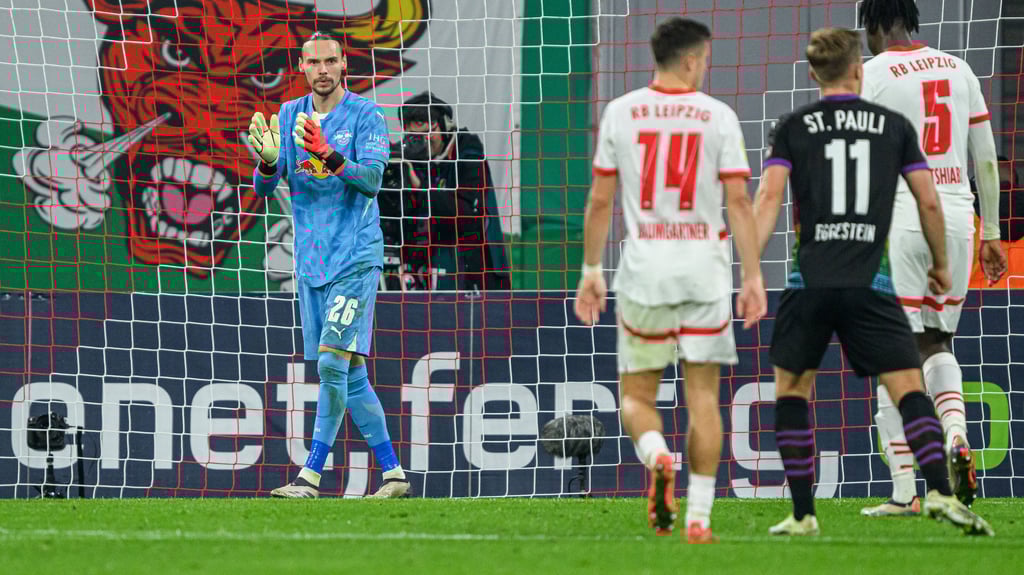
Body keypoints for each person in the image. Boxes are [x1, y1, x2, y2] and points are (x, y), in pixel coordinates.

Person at [753, 27, 992, 536]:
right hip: (872, 278)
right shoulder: (891, 127)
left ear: (814, 73)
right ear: (859, 69)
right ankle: (941, 495)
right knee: (908, 385)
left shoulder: (793, 127)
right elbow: (928, 199)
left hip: (812, 276)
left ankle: (802, 515)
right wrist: (944, 263)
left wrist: (751, 270)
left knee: (793, 392)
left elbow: (768, 199)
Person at [574, 17, 766, 543]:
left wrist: (592, 271)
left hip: (645, 272)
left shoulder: (622, 112)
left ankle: (659, 457)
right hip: (705, 270)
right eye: (703, 58)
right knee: (703, 396)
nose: (704, 66)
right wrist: (752, 276)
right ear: (688, 59)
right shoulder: (718, 116)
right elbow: (741, 202)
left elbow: (599, 200)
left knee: (637, 396)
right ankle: (700, 519)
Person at [857, 0, 1007, 515]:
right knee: (938, 338)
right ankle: (958, 436)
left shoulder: (872, 73)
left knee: (889, 353)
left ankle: (904, 491)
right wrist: (991, 231)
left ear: (872, 25)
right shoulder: (959, 69)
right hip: (957, 220)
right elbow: (984, 157)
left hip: (901, 218)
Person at [249, 32, 410, 498]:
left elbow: (373, 181)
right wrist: (266, 163)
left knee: (330, 365)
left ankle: (310, 476)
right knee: (350, 373)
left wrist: (329, 155)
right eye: (313, 62)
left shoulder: (366, 115)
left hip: (355, 258)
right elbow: (264, 190)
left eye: (330, 61)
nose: (322, 69)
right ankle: (394, 474)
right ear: (302, 67)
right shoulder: (287, 114)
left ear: (344, 65)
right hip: (311, 265)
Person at [387, 91, 511, 291]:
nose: (422, 142)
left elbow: (468, 215)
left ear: (445, 126)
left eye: (427, 133)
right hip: (418, 270)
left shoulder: (467, 153)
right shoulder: (404, 159)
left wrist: (420, 187)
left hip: (471, 272)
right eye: (414, 136)